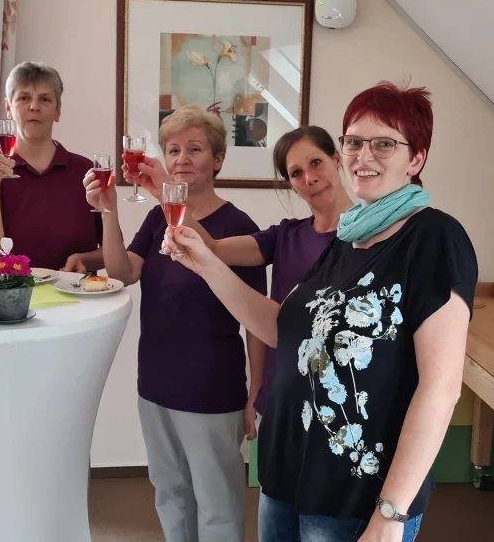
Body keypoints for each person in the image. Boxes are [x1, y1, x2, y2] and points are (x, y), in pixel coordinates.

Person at [164, 83, 477, 542]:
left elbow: (441, 388)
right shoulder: (347, 240)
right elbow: (279, 327)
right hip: (287, 476)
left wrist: (391, 514)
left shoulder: (433, 238)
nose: (362, 154)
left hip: (355, 494)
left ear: (416, 159)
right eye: (353, 141)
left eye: (384, 142)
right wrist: (205, 264)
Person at [84, 104, 267, 541]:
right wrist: (108, 210)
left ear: (218, 159)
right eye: (173, 149)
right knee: (170, 492)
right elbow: (123, 272)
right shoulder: (154, 218)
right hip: (156, 384)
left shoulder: (238, 228)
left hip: (211, 389)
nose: (181, 158)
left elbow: (257, 318)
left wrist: (255, 388)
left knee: (217, 503)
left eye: (195, 149)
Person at [135, 125, 353, 418]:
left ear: (337, 159)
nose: (310, 178)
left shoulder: (371, 239)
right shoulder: (284, 236)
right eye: (296, 173)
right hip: (280, 402)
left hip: (340, 405)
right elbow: (210, 247)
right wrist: (167, 194)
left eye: (316, 163)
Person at [0, 61, 103, 272]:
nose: (34, 106)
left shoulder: (87, 172)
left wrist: (84, 259)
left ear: (58, 110)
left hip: (76, 297)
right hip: (5, 299)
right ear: (8, 108)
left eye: (45, 99)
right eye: (24, 98)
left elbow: (111, 253)